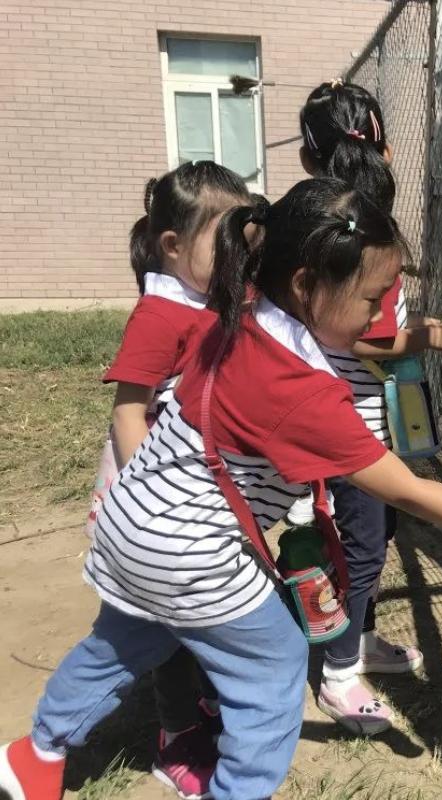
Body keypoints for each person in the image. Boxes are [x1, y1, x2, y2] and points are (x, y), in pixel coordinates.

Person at [0, 177, 442, 800]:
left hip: (131, 519)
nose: (379, 316)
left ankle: (35, 756)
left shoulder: (241, 308)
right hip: (190, 551)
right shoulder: (302, 391)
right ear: (305, 285)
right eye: (371, 299)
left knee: (123, 643)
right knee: (274, 664)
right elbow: (403, 488)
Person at [288, 79, 442, 735]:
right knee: (358, 549)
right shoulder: (354, 230)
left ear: (310, 159)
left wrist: (409, 331)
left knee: (373, 541)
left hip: (371, 416)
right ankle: (337, 674)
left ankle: (355, 643)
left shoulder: (327, 223)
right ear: (382, 144)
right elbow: (360, 339)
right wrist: (419, 338)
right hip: (352, 427)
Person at [86, 160, 253, 799]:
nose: (240, 253)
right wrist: (140, 495)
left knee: (204, 607)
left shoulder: (210, 301)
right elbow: (129, 410)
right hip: (154, 492)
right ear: (174, 247)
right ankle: (175, 735)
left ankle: (201, 704)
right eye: (226, 239)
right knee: (167, 620)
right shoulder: (162, 313)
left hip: (194, 486)